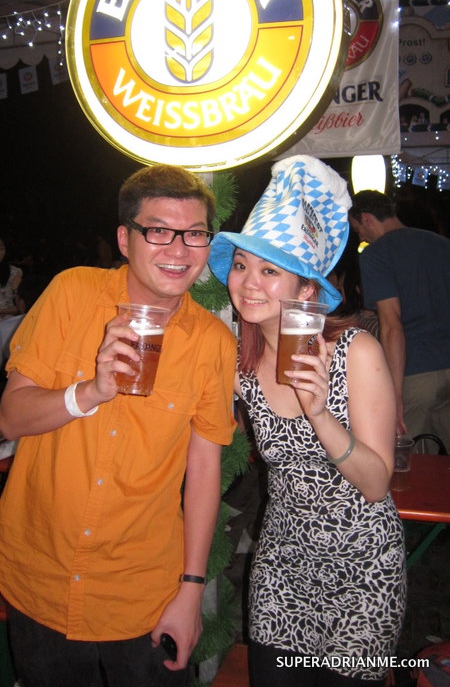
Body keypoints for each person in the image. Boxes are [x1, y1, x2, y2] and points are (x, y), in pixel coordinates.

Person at [0, 164, 237, 687]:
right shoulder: (72, 293)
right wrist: (89, 392)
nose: (179, 250)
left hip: (143, 593)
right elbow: (11, 417)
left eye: (195, 234)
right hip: (42, 577)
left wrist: (191, 590)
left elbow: (204, 469)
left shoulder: (213, 343)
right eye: (159, 231)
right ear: (125, 240)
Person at [209, 155, 406, 687]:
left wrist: (319, 412)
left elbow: (376, 483)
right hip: (282, 564)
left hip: (362, 568)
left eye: (270, 271)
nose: (247, 282)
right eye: (242, 265)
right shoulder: (239, 364)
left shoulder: (355, 352)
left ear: (306, 291)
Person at [349, 190, 450, 450]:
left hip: (418, 371)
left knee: (412, 457)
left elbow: (392, 326)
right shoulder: (442, 244)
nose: (361, 237)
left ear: (367, 218)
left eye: (358, 230)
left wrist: (394, 394)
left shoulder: (376, 254)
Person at [0, 236, 22, 320]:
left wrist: (2, 311)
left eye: (1, 248)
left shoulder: (13, 272)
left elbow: (21, 306)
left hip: (6, 322)